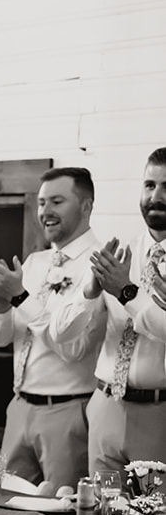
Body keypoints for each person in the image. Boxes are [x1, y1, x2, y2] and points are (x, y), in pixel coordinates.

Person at [0, 167, 104, 492]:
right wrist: (0, 305)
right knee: (5, 507)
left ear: (86, 206)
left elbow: (72, 347)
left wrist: (20, 297)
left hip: (66, 412)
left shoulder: (100, 265)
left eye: (57, 201)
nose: (45, 212)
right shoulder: (34, 263)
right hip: (19, 406)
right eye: (41, 202)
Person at [54, 149, 166, 480]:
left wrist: (126, 292)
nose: (155, 196)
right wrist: (90, 291)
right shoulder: (118, 255)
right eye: (149, 185)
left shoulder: (120, 277)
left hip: (158, 413)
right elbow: (62, 333)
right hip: (104, 407)